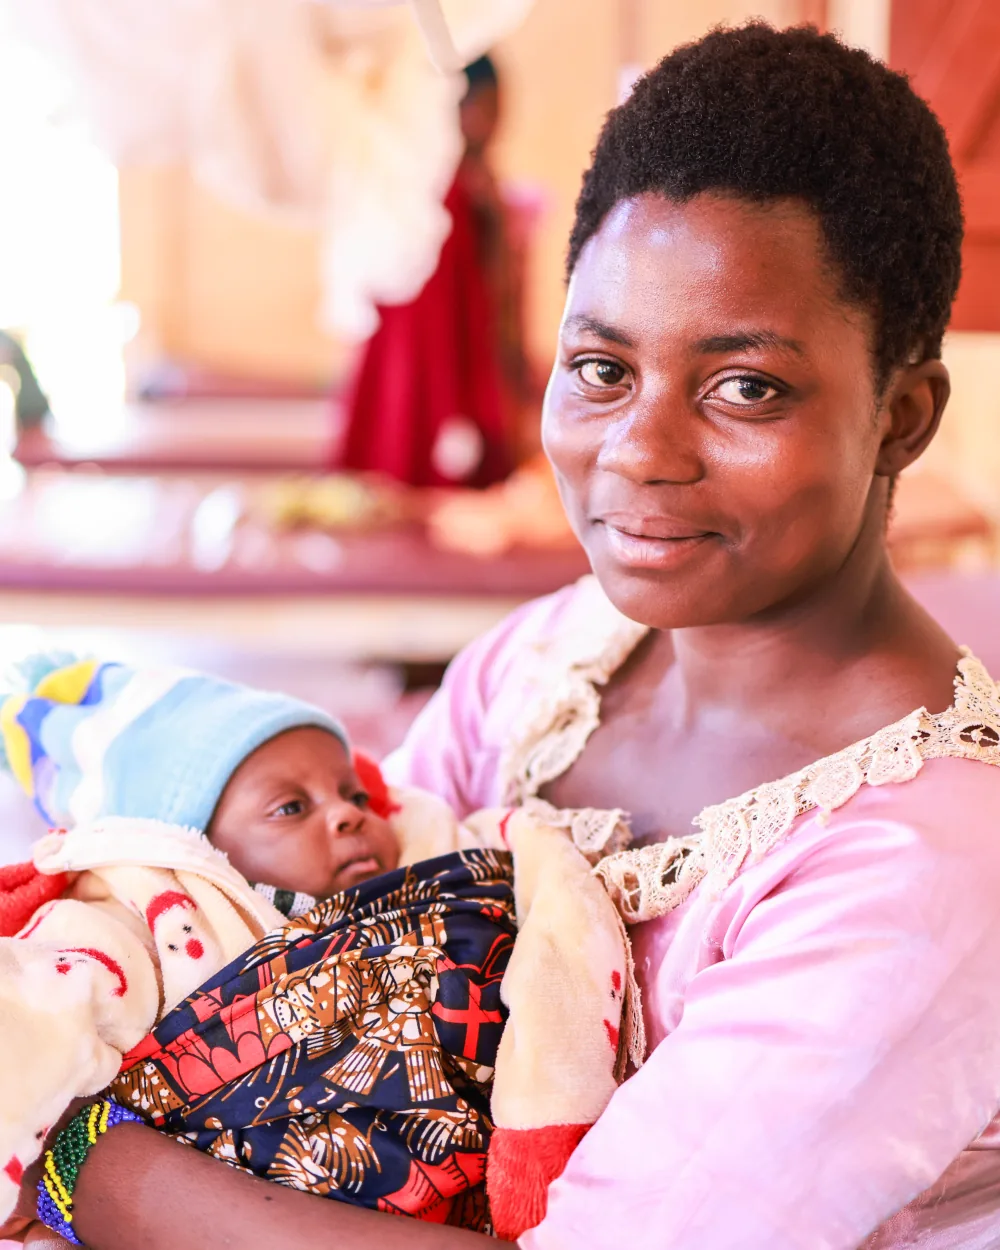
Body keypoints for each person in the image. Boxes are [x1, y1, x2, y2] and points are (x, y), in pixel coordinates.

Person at [5, 18, 999, 1250]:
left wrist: (86, 1156)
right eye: (599, 367)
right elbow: (326, 970)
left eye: (746, 385)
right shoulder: (554, 663)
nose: (640, 449)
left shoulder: (930, 865)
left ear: (901, 417)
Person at [0, 655, 630, 1244]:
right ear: (185, 844)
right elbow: (31, 1026)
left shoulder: (434, 878)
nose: (348, 816)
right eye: (291, 807)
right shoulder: (141, 916)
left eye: (353, 794)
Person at [333, 55, 521, 488]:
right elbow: (441, 314)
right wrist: (457, 407)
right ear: (453, 107)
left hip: (437, 369)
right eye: (487, 107)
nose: (495, 124)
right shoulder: (443, 189)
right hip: (435, 377)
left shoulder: (466, 185)